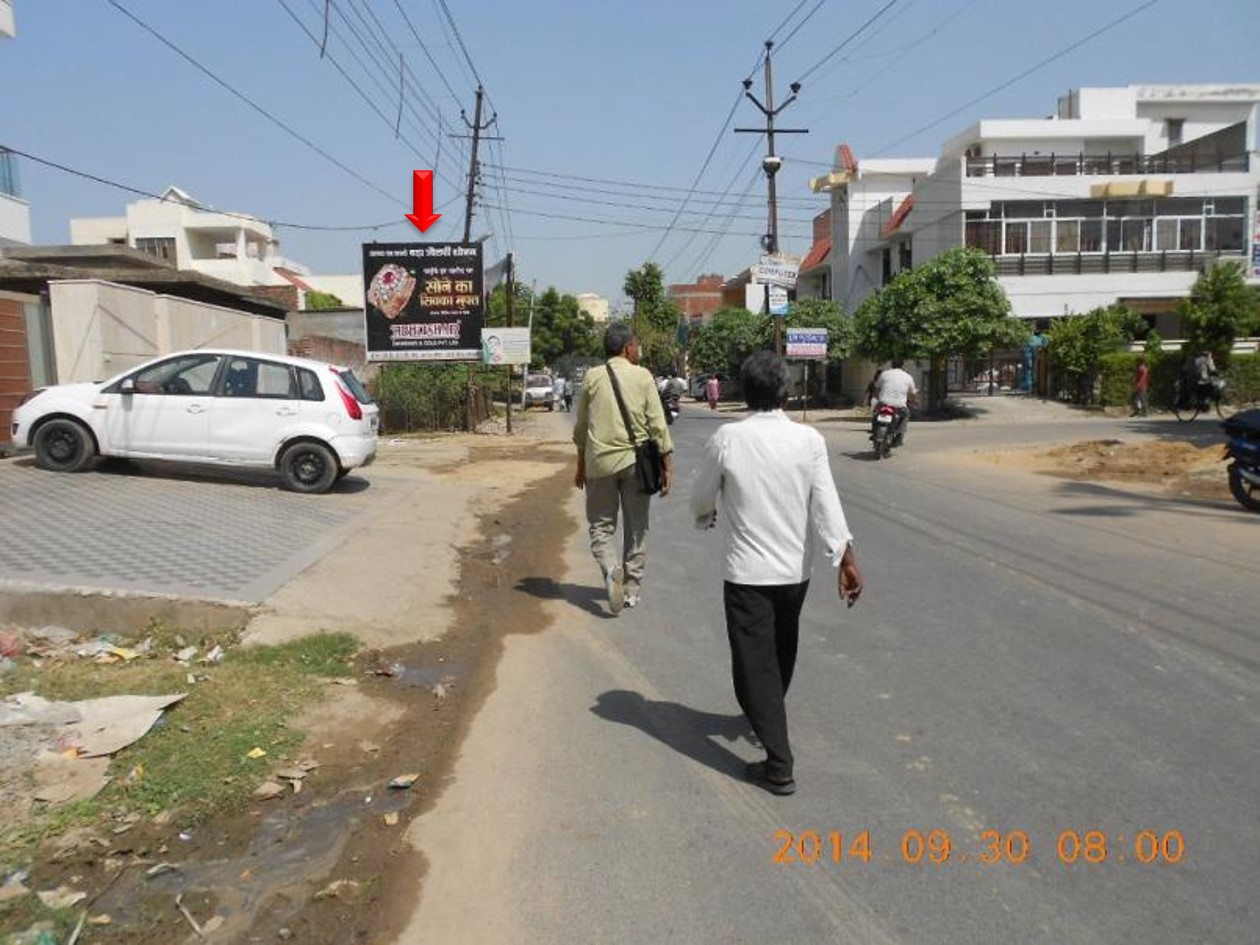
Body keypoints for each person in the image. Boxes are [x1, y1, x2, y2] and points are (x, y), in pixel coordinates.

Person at [690, 351, 864, 796]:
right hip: (794, 574)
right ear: (786, 391)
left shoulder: (729, 437)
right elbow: (826, 503)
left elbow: (701, 495)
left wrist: (706, 513)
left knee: (753, 669)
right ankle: (770, 718)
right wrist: (845, 559)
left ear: (745, 392)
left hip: (748, 575)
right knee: (779, 656)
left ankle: (779, 763)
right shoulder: (808, 440)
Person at [573, 324, 675, 614]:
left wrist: (580, 466)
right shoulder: (642, 376)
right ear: (628, 348)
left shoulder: (592, 377)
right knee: (637, 527)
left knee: (601, 526)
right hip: (636, 464)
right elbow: (657, 424)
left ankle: (609, 567)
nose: (638, 349)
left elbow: (582, 428)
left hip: (599, 463)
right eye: (637, 345)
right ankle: (630, 590)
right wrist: (667, 465)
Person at [870, 360, 918, 442]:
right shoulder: (908, 377)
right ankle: (899, 433)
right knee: (906, 415)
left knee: (875, 414)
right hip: (899, 405)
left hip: (884, 403)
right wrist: (914, 402)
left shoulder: (884, 374)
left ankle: (874, 431)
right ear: (902, 366)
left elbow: (877, 388)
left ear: (891, 365)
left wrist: (876, 398)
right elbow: (913, 393)